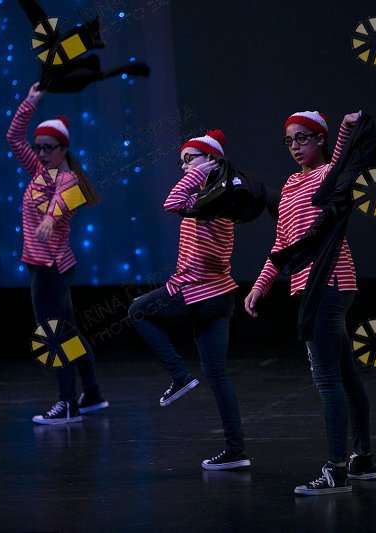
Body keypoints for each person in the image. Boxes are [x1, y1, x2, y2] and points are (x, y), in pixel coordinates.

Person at [244, 110, 376, 495]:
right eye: (289, 140)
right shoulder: (290, 184)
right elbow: (282, 243)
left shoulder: (327, 175)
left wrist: (347, 127)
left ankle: (336, 469)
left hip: (330, 283)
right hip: (314, 287)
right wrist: (260, 286)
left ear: (320, 138)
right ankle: (363, 459)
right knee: (346, 377)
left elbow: (343, 159)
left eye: (303, 137)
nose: (295, 146)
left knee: (327, 379)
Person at [128, 130, 250, 470]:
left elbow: (171, 203)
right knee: (217, 375)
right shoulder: (214, 198)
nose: (184, 168)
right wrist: (201, 170)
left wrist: (202, 171)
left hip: (197, 291)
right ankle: (236, 450)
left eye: (189, 160)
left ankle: (179, 375)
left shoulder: (214, 200)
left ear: (211, 161)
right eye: (181, 163)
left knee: (137, 311)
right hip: (220, 295)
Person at [6, 82, 107, 425]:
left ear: (64, 148)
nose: (42, 153)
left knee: (52, 334)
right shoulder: (39, 170)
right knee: (69, 332)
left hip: (50, 268)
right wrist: (30, 102)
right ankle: (91, 393)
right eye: (39, 147)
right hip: (48, 266)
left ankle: (67, 403)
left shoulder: (70, 181)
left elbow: (61, 205)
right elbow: (13, 138)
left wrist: (50, 218)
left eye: (49, 148)